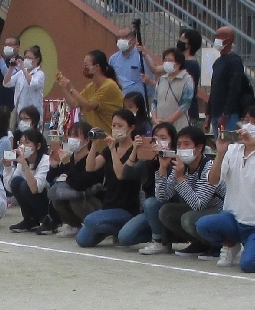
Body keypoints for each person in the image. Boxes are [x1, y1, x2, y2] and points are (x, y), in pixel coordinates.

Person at [198, 106, 255, 272]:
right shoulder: (233, 150)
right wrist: (220, 152)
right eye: (246, 120)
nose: (248, 125)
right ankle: (230, 243)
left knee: (249, 265)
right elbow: (213, 180)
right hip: (233, 218)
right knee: (203, 225)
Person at [75, 109, 149, 246]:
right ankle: (113, 230)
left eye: (120, 126)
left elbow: (121, 174)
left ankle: (124, 229)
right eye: (113, 125)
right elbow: (90, 167)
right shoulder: (109, 149)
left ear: (131, 128)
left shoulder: (136, 150)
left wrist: (113, 150)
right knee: (82, 240)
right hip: (108, 206)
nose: (115, 129)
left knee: (91, 220)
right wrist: (95, 144)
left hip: (127, 208)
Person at [147, 125, 220, 256]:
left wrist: (180, 178)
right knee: (166, 211)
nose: (182, 149)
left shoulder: (208, 167)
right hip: (200, 212)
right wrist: (162, 169)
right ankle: (199, 243)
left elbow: (199, 205)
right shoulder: (182, 166)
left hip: (218, 212)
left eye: (187, 144)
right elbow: (162, 197)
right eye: (179, 145)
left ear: (199, 148)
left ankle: (218, 245)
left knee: (188, 218)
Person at [115, 121, 175, 247]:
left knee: (151, 202)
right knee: (124, 237)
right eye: (155, 138)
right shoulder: (148, 159)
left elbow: (167, 191)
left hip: (168, 206)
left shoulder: (177, 159)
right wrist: (134, 149)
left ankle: (159, 241)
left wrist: (164, 161)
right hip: (150, 211)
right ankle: (157, 232)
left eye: (163, 138)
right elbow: (127, 174)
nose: (158, 142)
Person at [55, 49, 125, 133]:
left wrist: (71, 88)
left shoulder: (108, 85)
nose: (84, 68)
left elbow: (88, 106)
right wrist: (63, 87)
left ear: (96, 67)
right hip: (97, 139)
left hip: (111, 137)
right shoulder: (91, 86)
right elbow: (74, 104)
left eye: (86, 65)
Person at [5, 126, 55, 234]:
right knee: (17, 182)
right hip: (34, 194)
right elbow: (10, 188)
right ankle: (30, 219)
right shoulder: (23, 161)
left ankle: (49, 220)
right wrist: (7, 167)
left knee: (25, 185)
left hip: (48, 202)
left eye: (27, 143)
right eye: (21, 143)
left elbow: (35, 188)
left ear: (38, 146)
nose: (23, 146)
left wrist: (24, 164)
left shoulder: (45, 161)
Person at [203, 25, 248, 131]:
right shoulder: (218, 62)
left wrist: (225, 114)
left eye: (219, 37)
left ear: (229, 40)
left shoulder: (234, 61)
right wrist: (208, 114)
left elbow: (234, 89)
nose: (216, 40)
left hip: (228, 114)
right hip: (215, 111)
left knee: (227, 144)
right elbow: (214, 90)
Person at [150, 48, 194, 129]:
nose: (166, 63)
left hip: (178, 126)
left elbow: (185, 104)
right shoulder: (162, 79)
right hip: (159, 126)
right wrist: (154, 118)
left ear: (178, 63)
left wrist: (169, 121)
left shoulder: (187, 80)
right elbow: (154, 102)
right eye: (165, 60)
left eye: (170, 60)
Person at [10, 44, 46, 118]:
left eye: (29, 58)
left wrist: (23, 68)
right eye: (25, 57)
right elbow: (7, 83)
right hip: (20, 111)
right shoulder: (20, 73)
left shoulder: (40, 74)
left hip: (33, 113)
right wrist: (11, 68)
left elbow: (33, 84)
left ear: (37, 59)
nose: (26, 59)